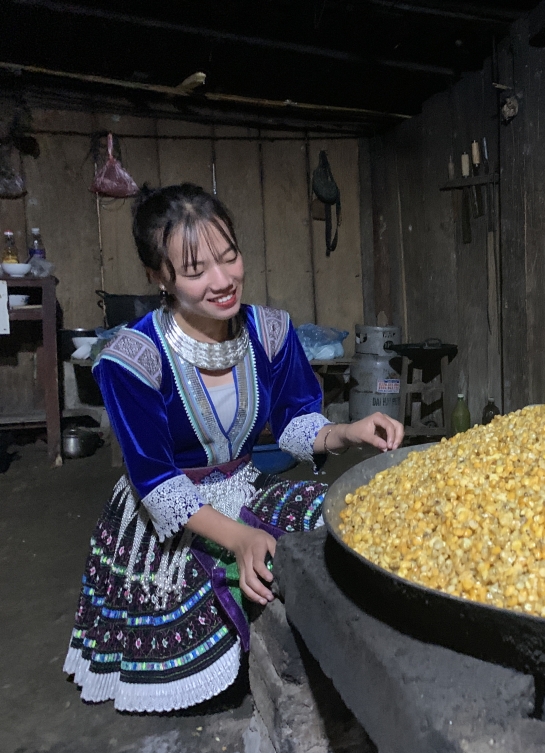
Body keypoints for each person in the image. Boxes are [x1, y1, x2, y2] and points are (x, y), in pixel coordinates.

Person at [63, 183, 403, 712]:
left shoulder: (270, 331)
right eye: (197, 271)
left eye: (230, 257)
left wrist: (344, 432)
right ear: (159, 277)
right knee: (210, 682)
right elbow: (154, 482)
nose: (223, 281)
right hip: (171, 518)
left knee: (343, 518)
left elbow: (294, 421)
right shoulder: (130, 359)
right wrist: (241, 539)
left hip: (242, 486)